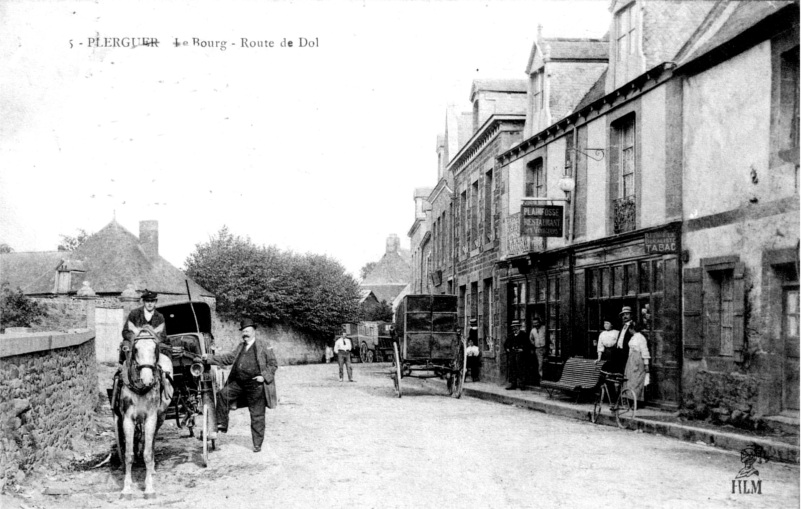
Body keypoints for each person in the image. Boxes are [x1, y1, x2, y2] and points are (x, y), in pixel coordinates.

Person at [202, 318, 278, 453]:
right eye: (243, 331)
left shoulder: (264, 345)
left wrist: (264, 377)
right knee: (223, 394)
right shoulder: (240, 347)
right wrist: (208, 358)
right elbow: (228, 359)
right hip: (239, 383)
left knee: (257, 414)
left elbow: (273, 364)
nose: (245, 334)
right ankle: (222, 424)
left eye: (248, 331)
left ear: (254, 331)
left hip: (256, 385)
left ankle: (257, 444)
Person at [118, 289, 173, 411]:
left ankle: (165, 383)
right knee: (125, 347)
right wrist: (135, 339)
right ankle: (122, 377)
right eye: (147, 301)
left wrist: (153, 339)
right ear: (143, 302)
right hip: (137, 344)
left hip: (152, 345)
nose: (149, 304)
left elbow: (163, 335)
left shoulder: (159, 317)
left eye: (152, 301)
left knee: (166, 352)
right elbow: (125, 331)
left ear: (155, 302)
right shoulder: (134, 314)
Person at [623, 323, 650, 403]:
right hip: (631, 359)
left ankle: (636, 400)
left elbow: (644, 350)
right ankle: (630, 399)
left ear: (632, 329)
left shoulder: (641, 338)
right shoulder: (633, 337)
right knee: (630, 379)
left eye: (629, 329)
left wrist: (646, 363)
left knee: (636, 380)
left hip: (638, 359)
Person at [505, 320, 527, 390]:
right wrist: (507, 348)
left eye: (516, 327)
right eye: (513, 327)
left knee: (520, 368)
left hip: (521, 354)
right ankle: (513, 384)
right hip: (512, 354)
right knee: (512, 369)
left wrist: (523, 349)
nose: (515, 329)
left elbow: (528, 345)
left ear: (519, 327)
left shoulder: (523, 335)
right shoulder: (510, 335)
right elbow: (506, 344)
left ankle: (522, 384)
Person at [528, 315, 547, 384]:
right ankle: (541, 379)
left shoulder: (544, 328)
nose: (535, 324)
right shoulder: (533, 330)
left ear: (539, 322)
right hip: (538, 349)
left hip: (545, 348)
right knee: (540, 364)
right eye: (534, 323)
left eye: (537, 323)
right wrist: (534, 344)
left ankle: (548, 379)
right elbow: (531, 339)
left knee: (547, 363)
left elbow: (549, 337)